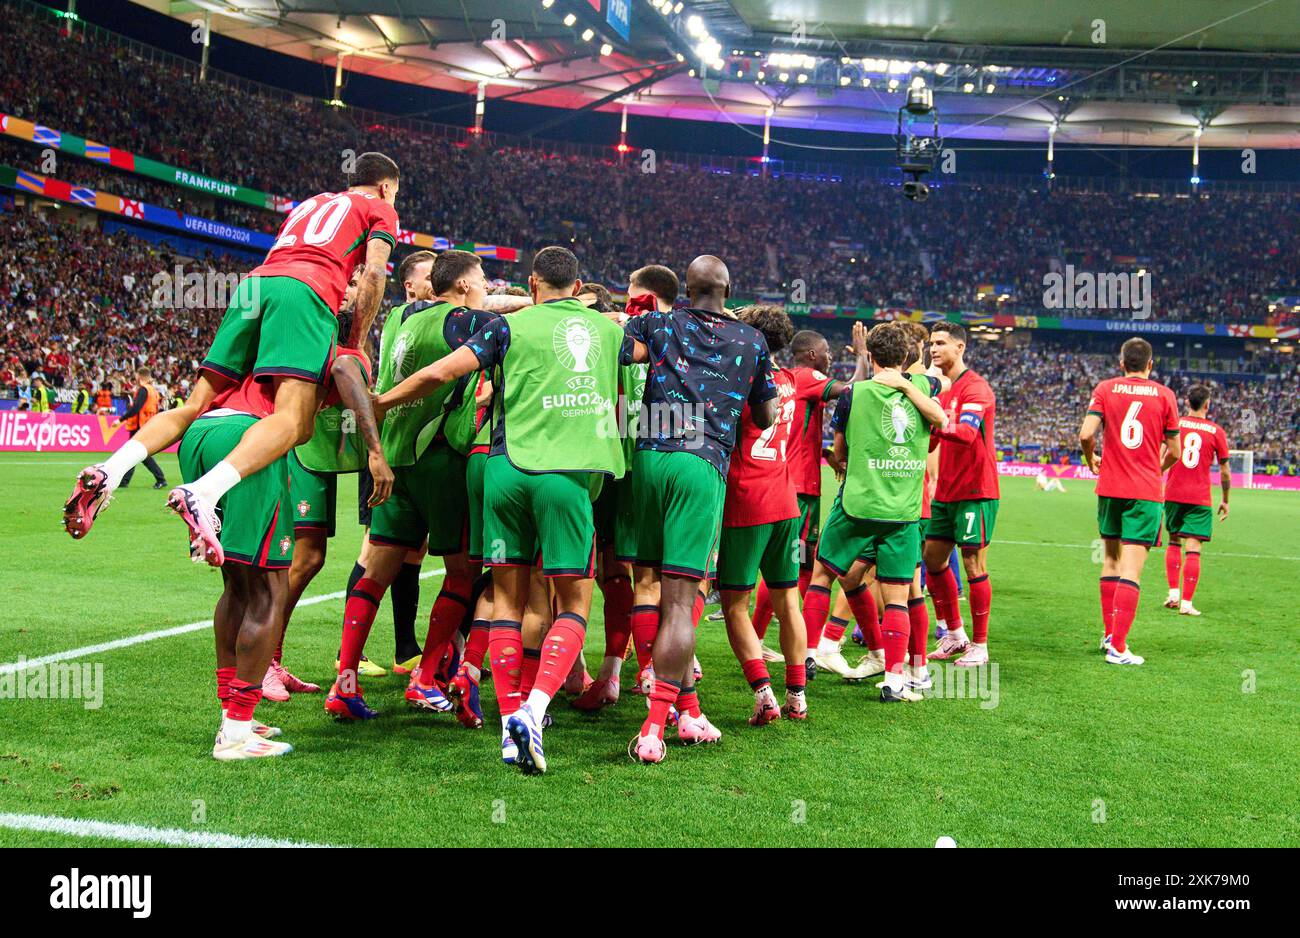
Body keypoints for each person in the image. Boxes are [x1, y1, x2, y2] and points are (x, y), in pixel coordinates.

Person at [375, 246, 633, 775]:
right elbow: (654, 350)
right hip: (567, 477)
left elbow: (440, 374)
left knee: (506, 602)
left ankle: (509, 719)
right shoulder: (610, 334)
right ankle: (535, 710)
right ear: (578, 283)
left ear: (533, 283)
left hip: (505, 474)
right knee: (572, 605)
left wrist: (374, 405)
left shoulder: (503, 328)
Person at [165, 153, 400, 565]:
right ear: (385, 188)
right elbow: (376, 272)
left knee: (196, 404)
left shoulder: (309, 206)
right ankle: (206, 492)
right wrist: (359, 339)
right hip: (268, 437)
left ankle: (121, 469)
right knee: (294, 425)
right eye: (395, 194)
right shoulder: (378, 209)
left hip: (255, 293)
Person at [326, 250, 502, 721]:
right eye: (482, 279)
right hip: (440, 461)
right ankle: (425, 679)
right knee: (464, 574)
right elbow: (451, 364)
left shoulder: (403, 317)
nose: (487, 285)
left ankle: (344, 680)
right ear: (463, 286)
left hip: (394, 461)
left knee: (375, 570)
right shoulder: (466, 322)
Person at [625, 255, 779, 764]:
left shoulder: (661, 323)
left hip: (647, 457)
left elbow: (620, 349)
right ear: (728, 289)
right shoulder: (751, 342)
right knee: (680, 599)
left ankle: (687, 710)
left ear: (686, 288)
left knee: (645, 583)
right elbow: (764, 413)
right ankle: (654, 728)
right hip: (699, 462)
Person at [817, 322, 947, 701]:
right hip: (902, 507)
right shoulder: (926, 386)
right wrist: (908, 380)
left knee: (833, 573)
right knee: (892, 590)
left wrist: (899, 379)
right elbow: (940, 411)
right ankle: (891, 670)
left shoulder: (863, 392)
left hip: (876, 503)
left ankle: (910, 667)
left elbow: (839, 450)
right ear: (909, 356)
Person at [574, 263, 677, 711]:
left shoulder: (608, 338)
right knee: (655, 575)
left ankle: (617, 672)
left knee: (614, 574)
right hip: (654, 463)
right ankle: (647, 670)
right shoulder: (680, 337)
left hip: (613, 466)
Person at [715, 305, 808, 725]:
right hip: (786, 502)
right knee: (790, 600)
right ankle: (797, 697)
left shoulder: (739, 380)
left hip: (746, 500)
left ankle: (764, 693)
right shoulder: (788, 380)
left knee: (735, 604)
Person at [1079, 337, 1181, 666]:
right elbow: (1176, 452)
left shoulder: (1106, 388)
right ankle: (1119, 648)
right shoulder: (1165, 395)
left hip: (1109, 487)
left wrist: (1091, 457)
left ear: (1122, 363)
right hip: (1144, 491)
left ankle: (1109, 634)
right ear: (1150, 365)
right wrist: (1157, 468)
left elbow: (1085, 434)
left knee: (1110, 562)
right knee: (1131, 570)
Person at [924, 323, 999, 668]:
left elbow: (968, 433)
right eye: (930, 343)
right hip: (947, 490)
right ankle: (955, 634)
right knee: (934, 559)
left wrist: (934, 420)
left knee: (972, 563)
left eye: (940, 343)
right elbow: (935, 440)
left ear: (960, 347)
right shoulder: (942, 390)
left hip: (975, 491)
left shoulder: (976, 388)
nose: (933, 349)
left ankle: (980, 646)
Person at [1161, 384, 1231, 617]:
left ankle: (1173, 594)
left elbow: (1161, 455)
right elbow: (1225, 472)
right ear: (1207, 404)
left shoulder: (1175, 425)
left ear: (1187, 403)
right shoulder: (1216, 431)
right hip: (1199, 497)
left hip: (1172, 493)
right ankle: (1187, 604)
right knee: (1193, 548)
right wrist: (1225, 499)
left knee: (1173, 541)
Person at [114, 368, 166, 490]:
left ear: (140, 377)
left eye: (136, 376)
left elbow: (136, 408)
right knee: (137, 454)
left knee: (134, 453)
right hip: (147, 425)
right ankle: (159, 479)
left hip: (139, 426)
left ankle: (160, 479)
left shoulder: (143, 390)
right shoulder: (153, 390)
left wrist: (120, 420)